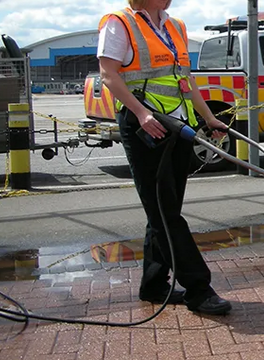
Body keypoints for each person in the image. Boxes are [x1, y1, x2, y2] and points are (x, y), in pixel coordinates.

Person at [97, 0, 231, 315]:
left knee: (164, 211)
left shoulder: (175, 26)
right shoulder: (119, 23)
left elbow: (185, 81)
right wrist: (141, 113)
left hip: (178, 126)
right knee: (165, 213)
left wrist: (209, 117)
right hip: (146, 127)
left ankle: (154, 285)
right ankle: (199, 289)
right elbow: (108, 75)